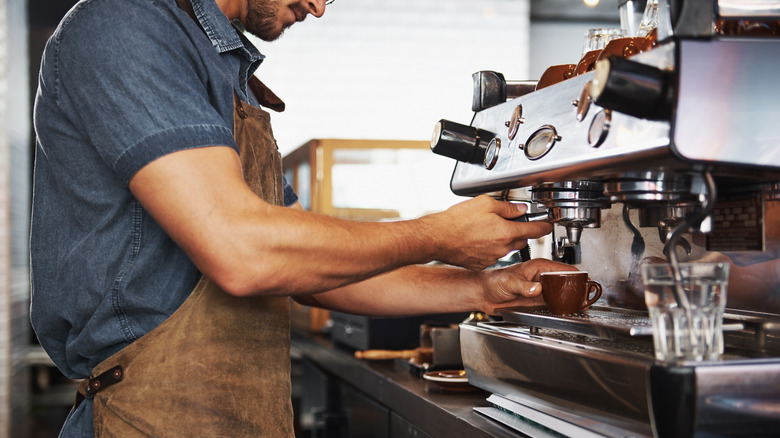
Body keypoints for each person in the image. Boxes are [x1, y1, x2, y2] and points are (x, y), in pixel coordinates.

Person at [30, 0, 571, 436]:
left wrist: (485, 288)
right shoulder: (125, 24)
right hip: (148, 418)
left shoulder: (223, 70)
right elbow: (243, 253)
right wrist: (437, 234)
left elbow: (318, 278)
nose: (318, 8)